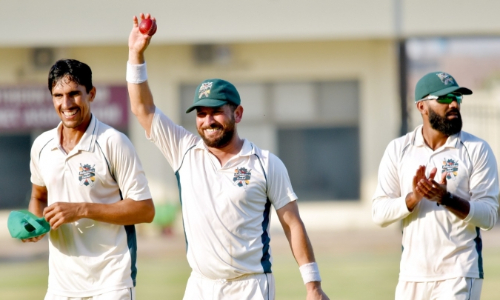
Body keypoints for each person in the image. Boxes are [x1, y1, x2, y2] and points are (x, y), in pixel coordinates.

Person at [126, 13, 329, 300]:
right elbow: (142, 109)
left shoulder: (266, 163)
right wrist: (136, 54)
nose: (208, 120)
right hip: (200, 286)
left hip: (251, 287)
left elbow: (292, 223)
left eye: (216, 111)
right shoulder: (184, 150)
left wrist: (313, 285)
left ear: (238, 113)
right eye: (201, 113)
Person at [24, 59, 155, 300]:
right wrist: (34, 225)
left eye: (74, 94)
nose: (66, 104)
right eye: (58, 95)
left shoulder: (113, 142)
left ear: (91, 94)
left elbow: (145, 210)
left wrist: (82, 209)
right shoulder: (42, 145)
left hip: (111, 283)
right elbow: (38, 196)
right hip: (60, 286)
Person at [372, 71, 499, 300]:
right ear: (422, 106)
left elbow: (489, 216)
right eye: (443, 98)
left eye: (457, 98)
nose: (453, 104)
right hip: (411, 276)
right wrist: (414, 197)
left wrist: (446, 198)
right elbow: (379, 213)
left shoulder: (476, 149)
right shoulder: (398, 149)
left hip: (459, 273)